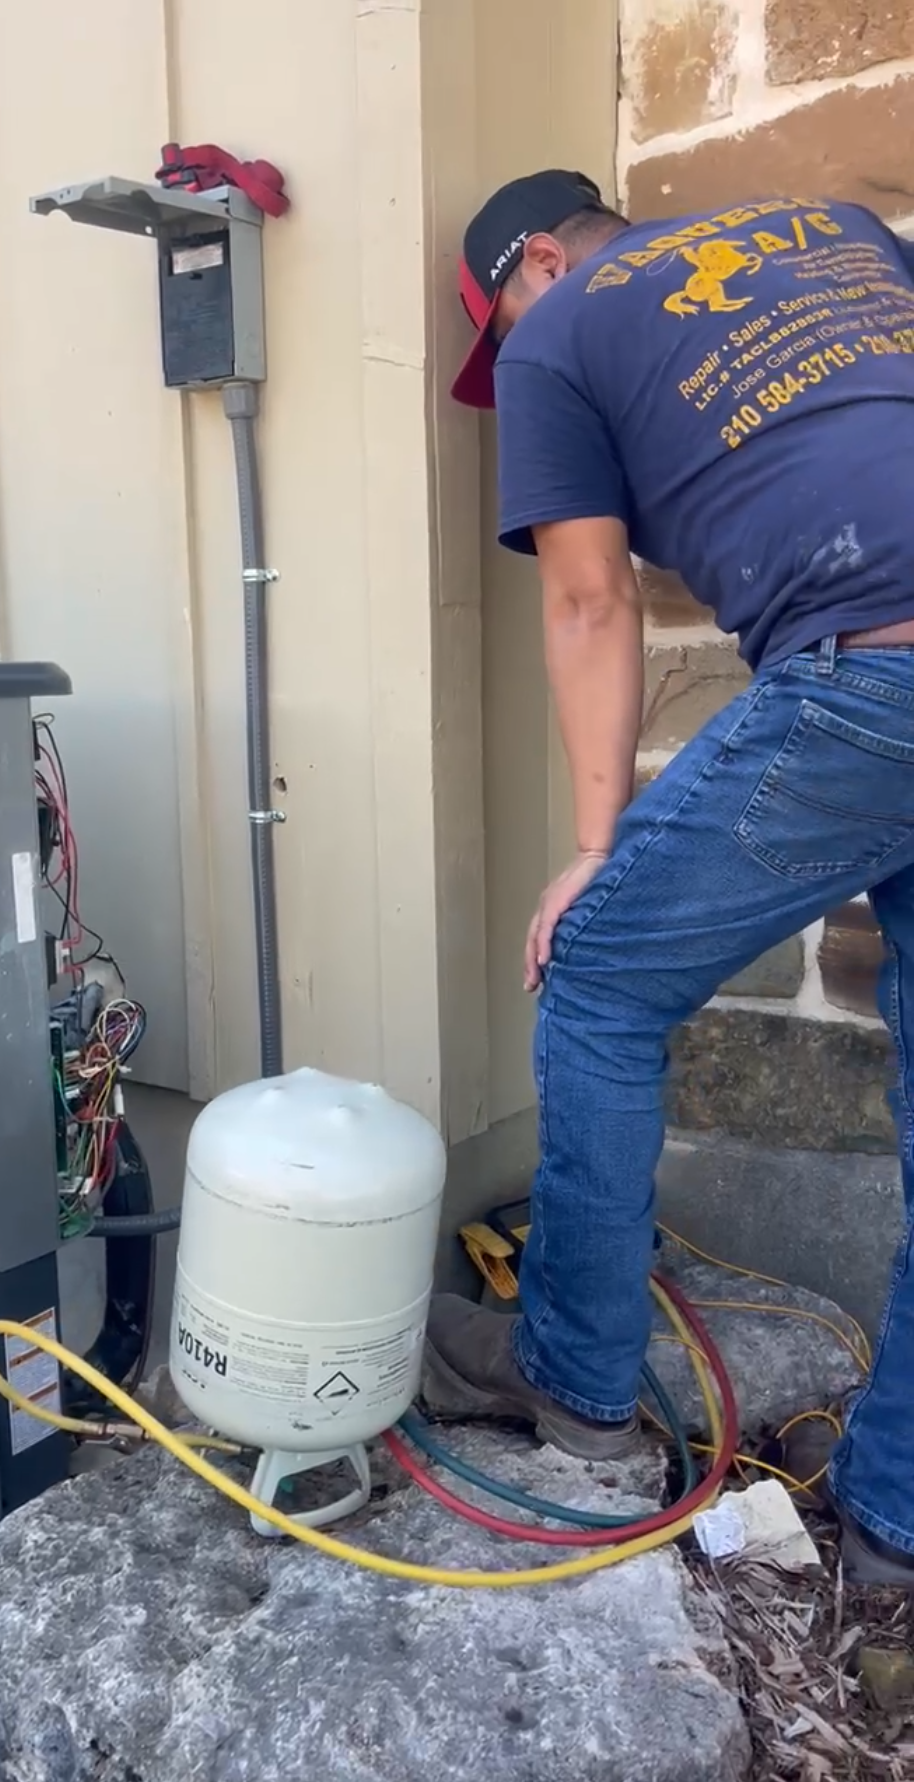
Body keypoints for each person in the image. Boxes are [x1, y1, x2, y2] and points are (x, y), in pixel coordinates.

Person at [423, 169, 914, 1588]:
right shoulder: (836, 228)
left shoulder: (560, 335)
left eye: (493, 323)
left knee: (595, 978)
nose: (504, 353)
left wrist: (595, 851)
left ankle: (573, 1389)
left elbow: (587, 598)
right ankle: (893, 1526)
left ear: (526, 267)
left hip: (870, 676)